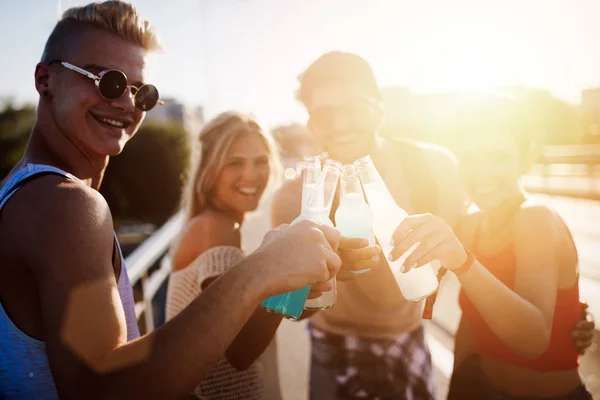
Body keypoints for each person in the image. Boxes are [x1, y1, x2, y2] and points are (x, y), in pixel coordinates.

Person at [0, 3, 341, 399]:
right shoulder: (68, 205)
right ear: (46, 79)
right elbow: (103, 390)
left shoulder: (22, 191)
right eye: (107, 81)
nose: (126, 103)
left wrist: (280, 285)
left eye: (142, 92)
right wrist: (262, 269)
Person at [271, 51, 595, 400]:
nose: (340, 124)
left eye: (353, 108)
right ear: (311, 124)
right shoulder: (295, 199)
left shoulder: (434, 166)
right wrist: (323, 278)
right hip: (334, 351)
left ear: (378, 109)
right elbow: (289, 309)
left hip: (410, 342)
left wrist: (566, 314)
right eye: (324, 114)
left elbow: (492, 237)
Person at [391, 96, 593, 399]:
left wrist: (462, 262)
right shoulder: (471, 225)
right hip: (481, 388)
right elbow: (472, 326)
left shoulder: (534, 218)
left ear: (526, 158)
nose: (481, 171)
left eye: (497, 157)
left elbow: (533, 340)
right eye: (469, 158)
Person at [166, 111, 316, 399]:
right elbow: (240, 348)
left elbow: (254, 316)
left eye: (260, 162)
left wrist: (308, 283)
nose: (251, 175)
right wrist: (285, 269)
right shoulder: (217, 229)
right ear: (210, 169)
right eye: (235, 163)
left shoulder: (216, 223)